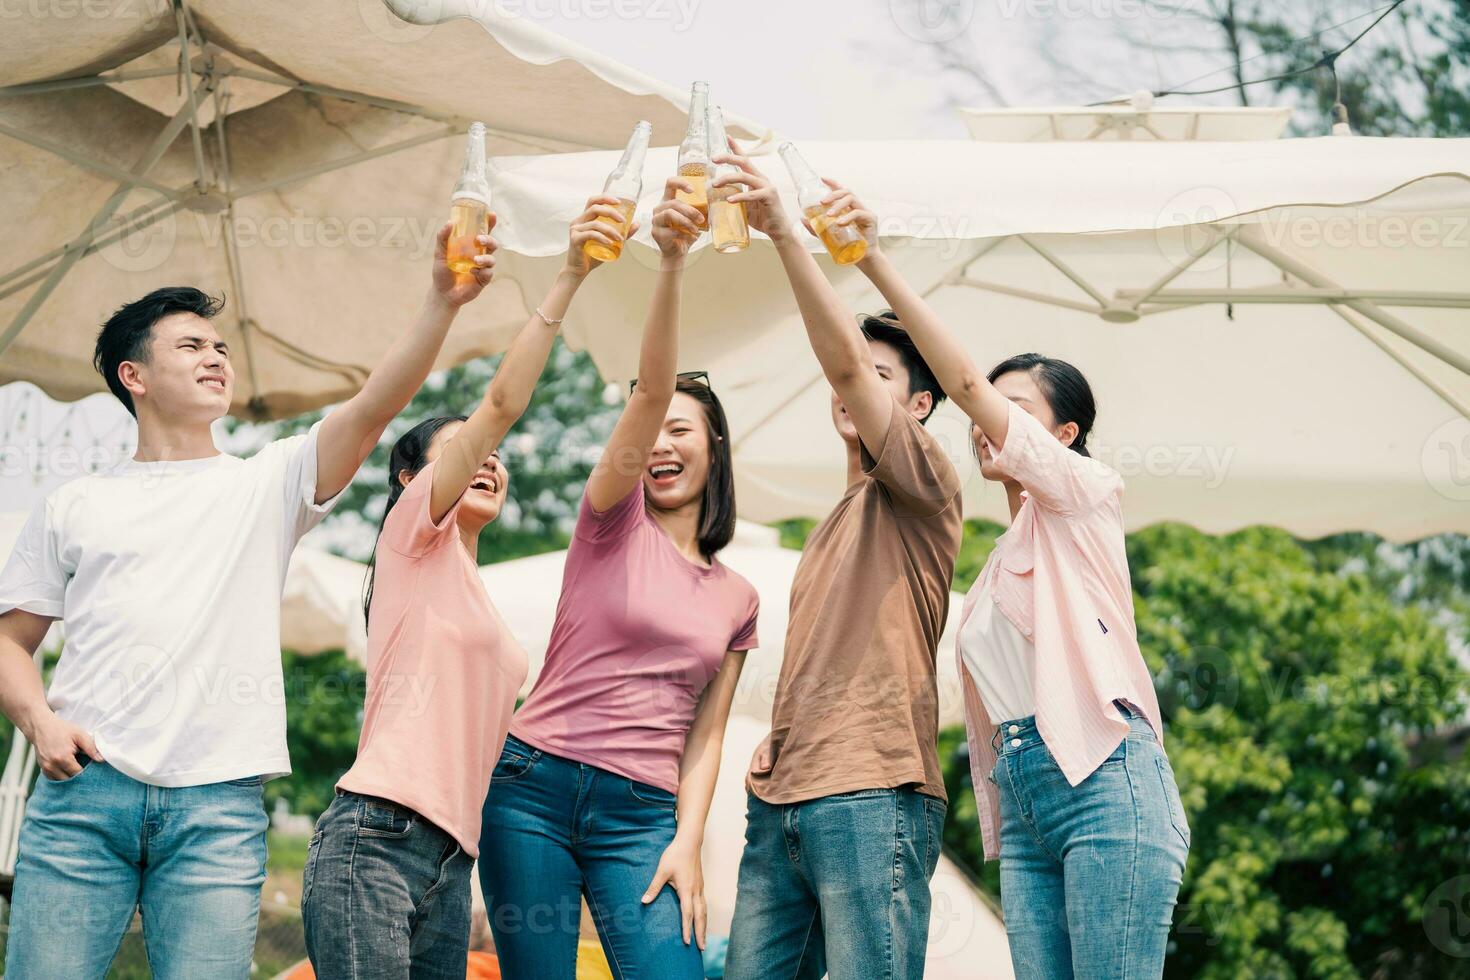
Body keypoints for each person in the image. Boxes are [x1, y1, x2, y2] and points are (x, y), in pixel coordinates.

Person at [0, 221, 499, 979]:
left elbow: (372, 407)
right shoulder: (75, 502)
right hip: (82, 798)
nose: (215, 358)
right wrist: (40, 723)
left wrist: (441, 302)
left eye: (220, 348)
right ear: (133, 376)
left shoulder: (268, 482)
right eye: (190, 346)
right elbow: (10, 641)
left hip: (216, 814)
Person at [828, 181, 1190, 979]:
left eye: (1012, 406)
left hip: (1104, 777)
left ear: (1061, 435)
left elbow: (960, 384)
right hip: (1024, 802)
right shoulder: (996, 565)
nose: (984, 417)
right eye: (989, 404)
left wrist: (872, 260)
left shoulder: (1087, 500)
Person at [300, 200, 625, 978]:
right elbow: (503, 406)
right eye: (463, 450)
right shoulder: (414, 539)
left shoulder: (481, 599)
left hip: (453, 862)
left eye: (491, 457)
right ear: (413, 480)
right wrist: (571, 274)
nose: (489, 459)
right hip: (374, 839)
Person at [477, 175, 759, 980]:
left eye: (684, 432)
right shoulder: (609, 521)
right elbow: (646, 393)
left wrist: (689, 842)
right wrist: (670, 264)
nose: (664, 443)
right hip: (532, 791)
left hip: (642, 816)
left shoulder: (738, 598)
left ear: (715, 452)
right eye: (656, 429)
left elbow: (706, 737)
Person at [714, 151, 963, 979]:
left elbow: (846, 365)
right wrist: (779, 746)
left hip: (873, 796)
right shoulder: (832, 526)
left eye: (881, 378)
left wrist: (785, 231)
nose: (850, 388)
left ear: (918, 406)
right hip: (782, 804)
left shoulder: (923, 487)